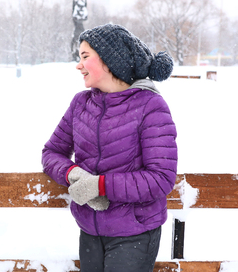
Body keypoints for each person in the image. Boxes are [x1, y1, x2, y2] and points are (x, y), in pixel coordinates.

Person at [42, 24, 177, 272]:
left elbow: (161, 178)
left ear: (109, 61)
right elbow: (51, 153)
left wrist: (100, 185)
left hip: (135, 233)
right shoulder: (81, 103)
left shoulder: (151, 106)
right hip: (90, 230)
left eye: (85, 57)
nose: (78, 65)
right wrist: (73, 173)